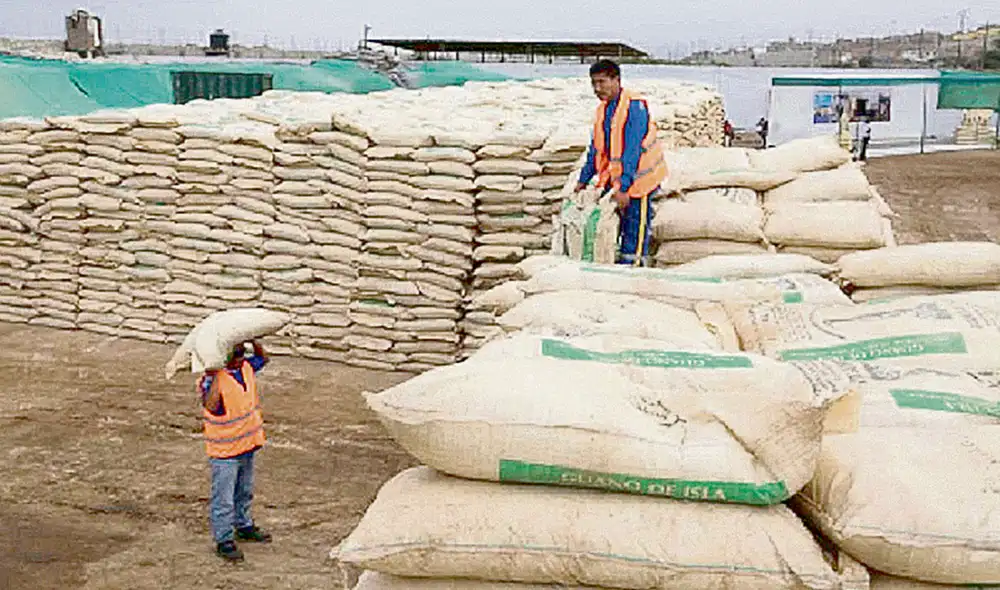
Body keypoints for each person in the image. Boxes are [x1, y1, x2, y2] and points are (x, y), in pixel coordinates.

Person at [574, 59, 668, 267]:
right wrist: (583, 179)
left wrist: (624, 187)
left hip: (640, 179)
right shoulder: (603, 110)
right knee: (617, 225)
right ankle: (619, 265)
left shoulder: (634, 106)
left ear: (617, 80)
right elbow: (597, 149)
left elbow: (632, 149)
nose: (598, 89)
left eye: (602, 82)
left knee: (636, 227)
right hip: (618, 180)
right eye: (594, 84)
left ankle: (634, 269)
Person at [198, 340, 272, 562]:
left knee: (244, 490)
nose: (241, 357)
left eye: (242, 352)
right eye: (236, 354)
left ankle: (244, 525)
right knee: (224, 498)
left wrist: (254, 341)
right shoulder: (212, 380)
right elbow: (210, 405)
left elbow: (264, 358)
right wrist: (214, 375)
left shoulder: (247, 368)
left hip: (247, 444)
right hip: (225, 452)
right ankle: (224, 539)